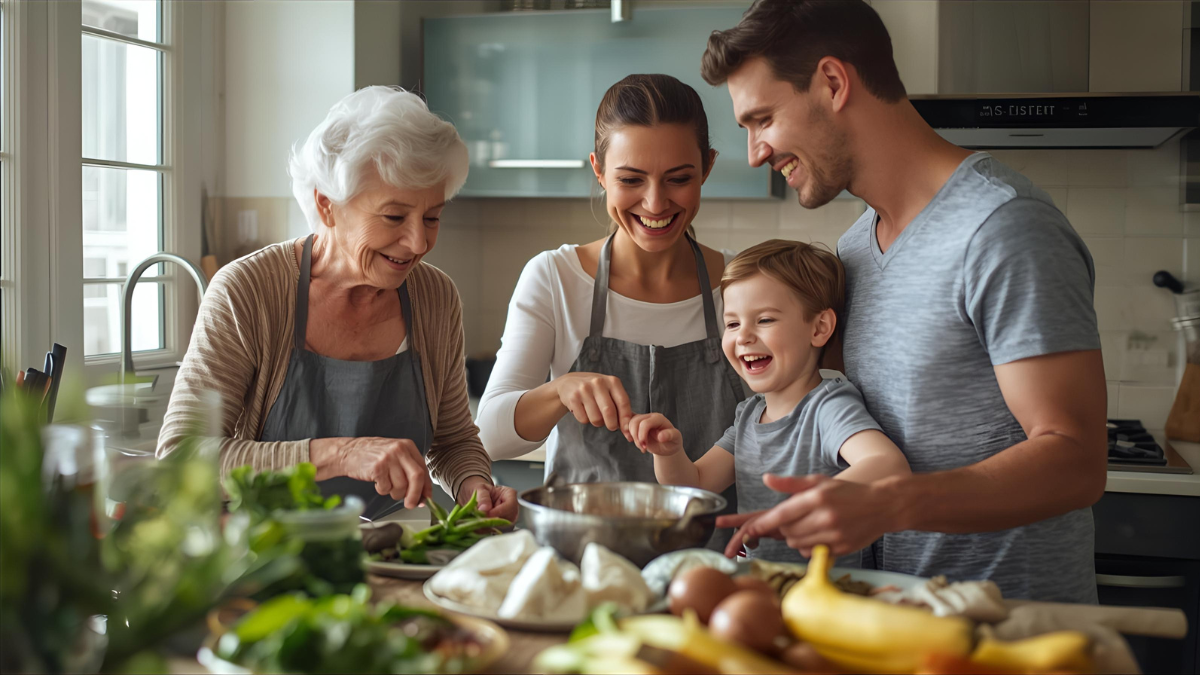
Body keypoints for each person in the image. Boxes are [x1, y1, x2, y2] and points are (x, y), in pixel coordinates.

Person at [701, 0, 1107, 603]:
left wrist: (889, 502)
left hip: (1006, 630)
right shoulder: (855, 247)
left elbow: (1076, 460)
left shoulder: (1002, 228)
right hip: (897, 622)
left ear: (834, 83)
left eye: (762, 118)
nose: (756, 151)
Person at [159, 86, 517, 522]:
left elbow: (453, 440)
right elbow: (182, 459)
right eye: (393, 216)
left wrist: (474, 486)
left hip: (390, 560)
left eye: (432, 217)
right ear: (326, 205)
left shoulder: (434, 297)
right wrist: (342, 454)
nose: (419, 241)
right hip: (258, 561)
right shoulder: (248, 291)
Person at [476, 74, 744, 531]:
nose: (656, 203)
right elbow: (489, 437)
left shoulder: (742, 285)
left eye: (679, 178)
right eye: (630, 179)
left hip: (711, 572)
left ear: (709, 167)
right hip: (581, 563)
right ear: (599, 170)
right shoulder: (555, 278)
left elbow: (776, 428)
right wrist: (561, 389)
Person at [628, 240, 910, 565]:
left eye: (764, 320)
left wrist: (809, 503)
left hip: (827, 593)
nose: (743, 336)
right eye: (732, 323)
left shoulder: (828, 407)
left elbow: (889, 466)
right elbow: (695, 483)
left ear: (819, 329)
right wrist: (670, 452)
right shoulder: (748, 415)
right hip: (762, 584)